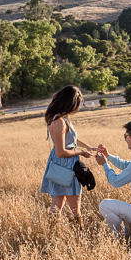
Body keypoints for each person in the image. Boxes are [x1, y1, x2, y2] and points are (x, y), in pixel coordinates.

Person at [40, 85, 96, 221]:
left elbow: (69, 139)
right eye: (77, 104)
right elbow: (61, 152)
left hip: (59, 164)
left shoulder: (59, 118)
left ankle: (54, 236)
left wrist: (88, 146)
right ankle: (78, 237)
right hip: (65, 165)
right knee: (74, 209)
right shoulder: (59, 121)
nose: (77, 108)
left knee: (57, 206)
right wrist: (82, 153)